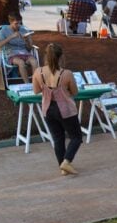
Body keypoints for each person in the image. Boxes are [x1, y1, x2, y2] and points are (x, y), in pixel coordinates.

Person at [31, 43, 82, 176]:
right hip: (65, 109)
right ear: (61, 57)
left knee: (58, 138)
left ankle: (62, 167)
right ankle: (66, 161)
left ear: (46, 57)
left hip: (48, 109)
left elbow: (36, 90)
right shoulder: (67, 74)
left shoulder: (38, 72)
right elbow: (74, 92)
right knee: (76, 137)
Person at [0, 13, 38, 83]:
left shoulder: (23, 30)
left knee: (34, 62)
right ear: (10, 22)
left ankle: (35, 83)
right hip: (12, 54)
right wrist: (11, 37)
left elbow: (29, 48)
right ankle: (27, 84)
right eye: (16, 24)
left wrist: (27, 40)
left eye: (20, 23)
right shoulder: (4, 30)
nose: (18, 25)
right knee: (21, 63)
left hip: (25, 53)